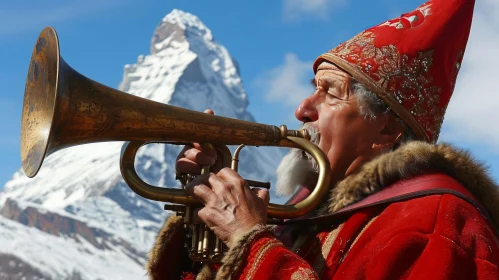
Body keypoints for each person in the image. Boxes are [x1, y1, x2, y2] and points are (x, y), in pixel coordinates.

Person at [146, 0, 499, 279]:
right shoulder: (305, 215)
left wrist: (250, 244)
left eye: (330, 93)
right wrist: (206, 220)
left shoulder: (440, 223)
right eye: (312, 89)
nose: (301, 109)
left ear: (387, 130)